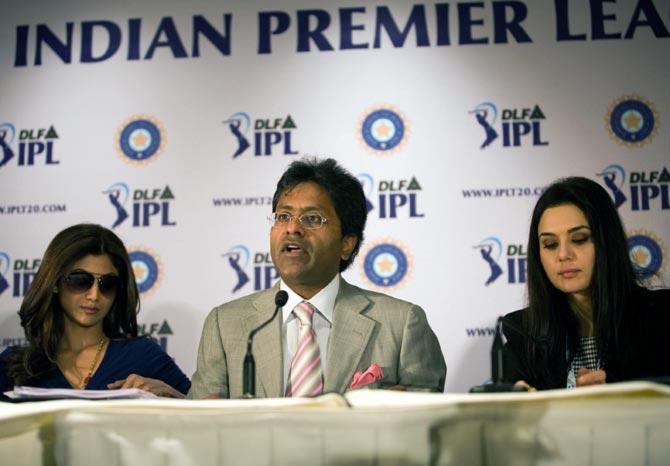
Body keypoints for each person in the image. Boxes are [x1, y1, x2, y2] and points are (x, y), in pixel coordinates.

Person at [189, 157, 446, 398]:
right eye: (283, 216)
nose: (292, 228)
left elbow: (426, 423)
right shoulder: (226, 325)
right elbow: (203, 426)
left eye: (312, 218)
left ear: (347, 243)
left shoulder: (401, 325)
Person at [502, 176, 670, 390]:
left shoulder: (662, 317)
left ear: (607, 241)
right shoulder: (522, 333)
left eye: (579, 239)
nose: (563, 255)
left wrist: (621, 394)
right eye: (550, 244)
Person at [0, 224, 190, 398]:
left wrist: (173, 396)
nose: (94, 295)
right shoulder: (15, 365)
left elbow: (205, 418)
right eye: (80, 281)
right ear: (55, 283)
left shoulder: (143, 355)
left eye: (107, 284)